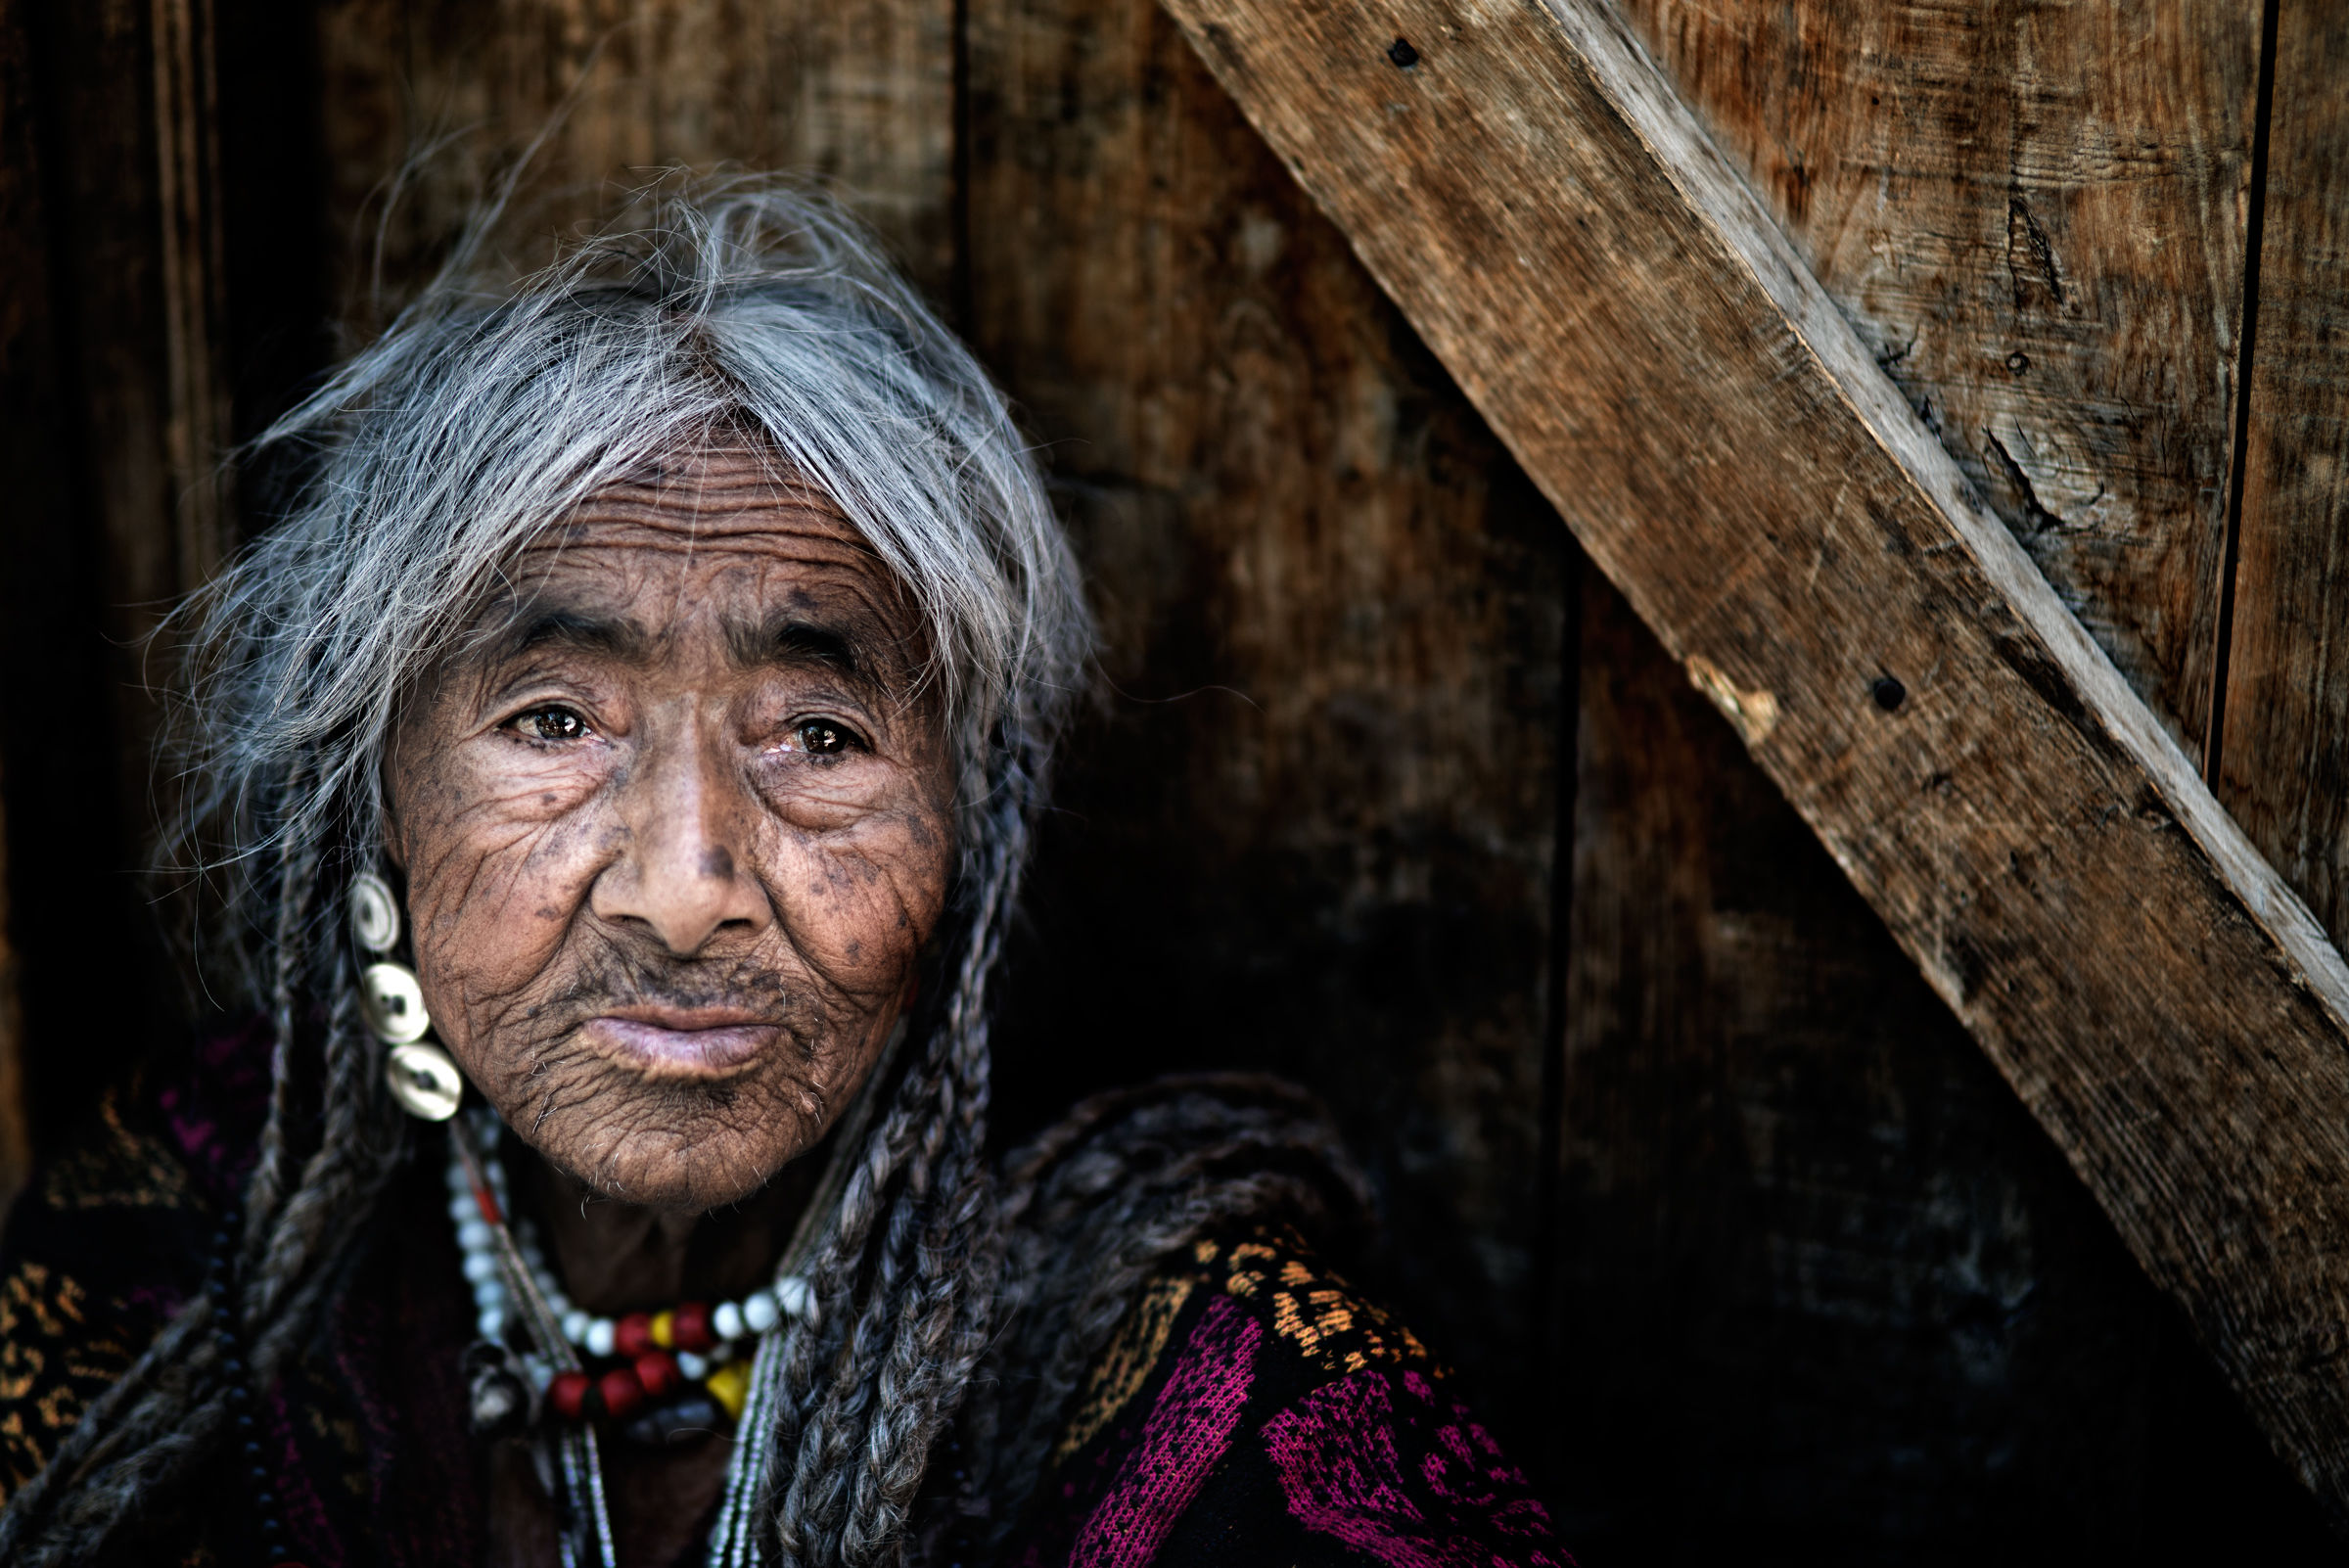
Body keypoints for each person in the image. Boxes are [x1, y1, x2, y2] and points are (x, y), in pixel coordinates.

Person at [0, 182, 1570, 1568]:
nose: (686, 889)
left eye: (819, 736)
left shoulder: (1218, 1394)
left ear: (966, 831)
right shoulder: (179, 1248)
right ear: (382, 806)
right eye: (553, 720)